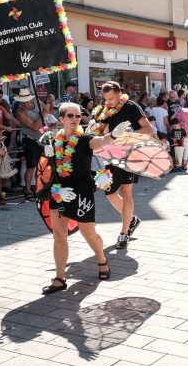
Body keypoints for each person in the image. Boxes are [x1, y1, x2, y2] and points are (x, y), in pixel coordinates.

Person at [38, 102, 131, 295]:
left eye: (78, 116)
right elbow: (46, 172)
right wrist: (47, 156)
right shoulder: (52, 140)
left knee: (88, 233)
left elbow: (101, 142)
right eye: (70, 116)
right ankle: (59, 278)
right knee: (59, 236)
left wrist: (114, 135)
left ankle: (101, 258)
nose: (75, 119)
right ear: (61, 119)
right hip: (59, 192)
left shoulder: (85, 139)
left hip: (82, 192)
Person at [91, 81, 157, 249]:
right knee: (110, 193)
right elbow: (100, 130)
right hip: (111, 155)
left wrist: (127, 135)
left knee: (126, 191)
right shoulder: (107, 109)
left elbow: (148, 130)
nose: (109, 102)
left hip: (129, 154)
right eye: (106, 99)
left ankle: (124, 232)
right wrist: (93, 130)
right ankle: (131, 219)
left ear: (120, 93)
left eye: (112, 98)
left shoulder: (131, 106)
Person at [13, 88, 51, 200]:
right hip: (29, 139)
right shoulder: (20, 112)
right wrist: (44, 113)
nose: (27, 103)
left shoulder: (36, 102)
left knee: (40, 166)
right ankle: (28, 190)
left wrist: (48, 108)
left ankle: (38, 189)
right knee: (31, 166)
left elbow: (48, 112)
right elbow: (34, 127)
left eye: (28, 100)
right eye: (24, 101)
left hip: (41, 139)